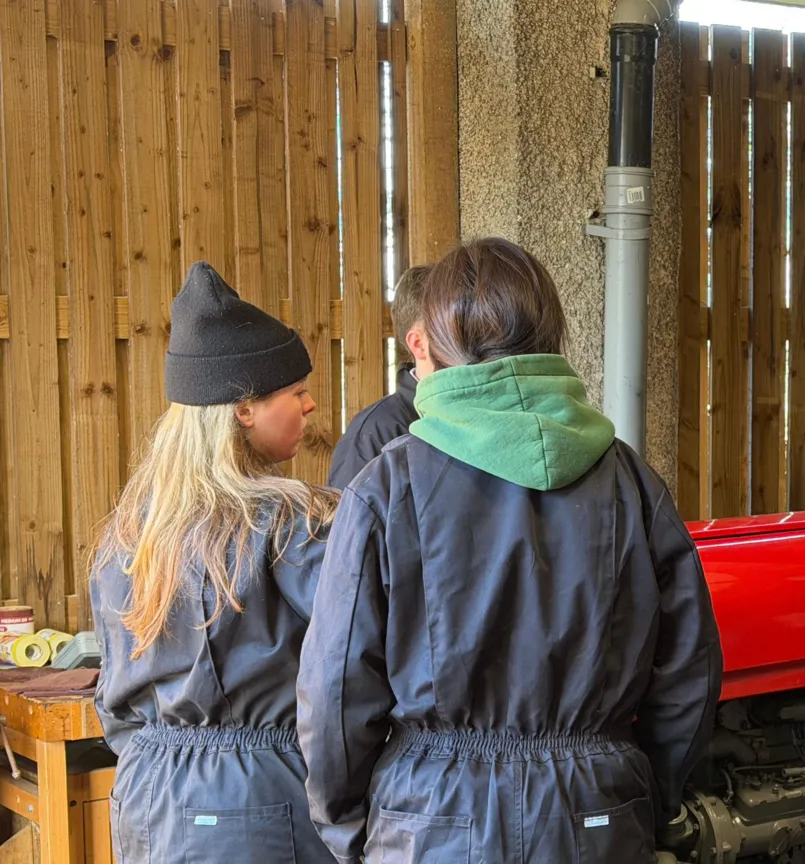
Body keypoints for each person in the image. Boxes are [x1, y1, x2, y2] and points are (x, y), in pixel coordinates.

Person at [296, 237, 723, 863]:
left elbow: (335, 691)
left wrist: (353, 830)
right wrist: (638, 794)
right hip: (598, 813)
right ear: (550, 335)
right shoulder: (632, 482)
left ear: (432, 344)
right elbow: (689, 671)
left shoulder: (386, 488)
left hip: (432, 821)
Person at [91, 262, 338, 863]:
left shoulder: (127, 532)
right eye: (295, 391)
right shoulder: (291, 522)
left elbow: (113, 700)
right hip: (260, 796)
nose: (310, 405)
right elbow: (352, 659)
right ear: (244, 409)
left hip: (148, 796)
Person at [327, 264, 433, 488]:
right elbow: (346, 521)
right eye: (456, 326)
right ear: (419, 343)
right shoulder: (371, 435)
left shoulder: (477, 415)